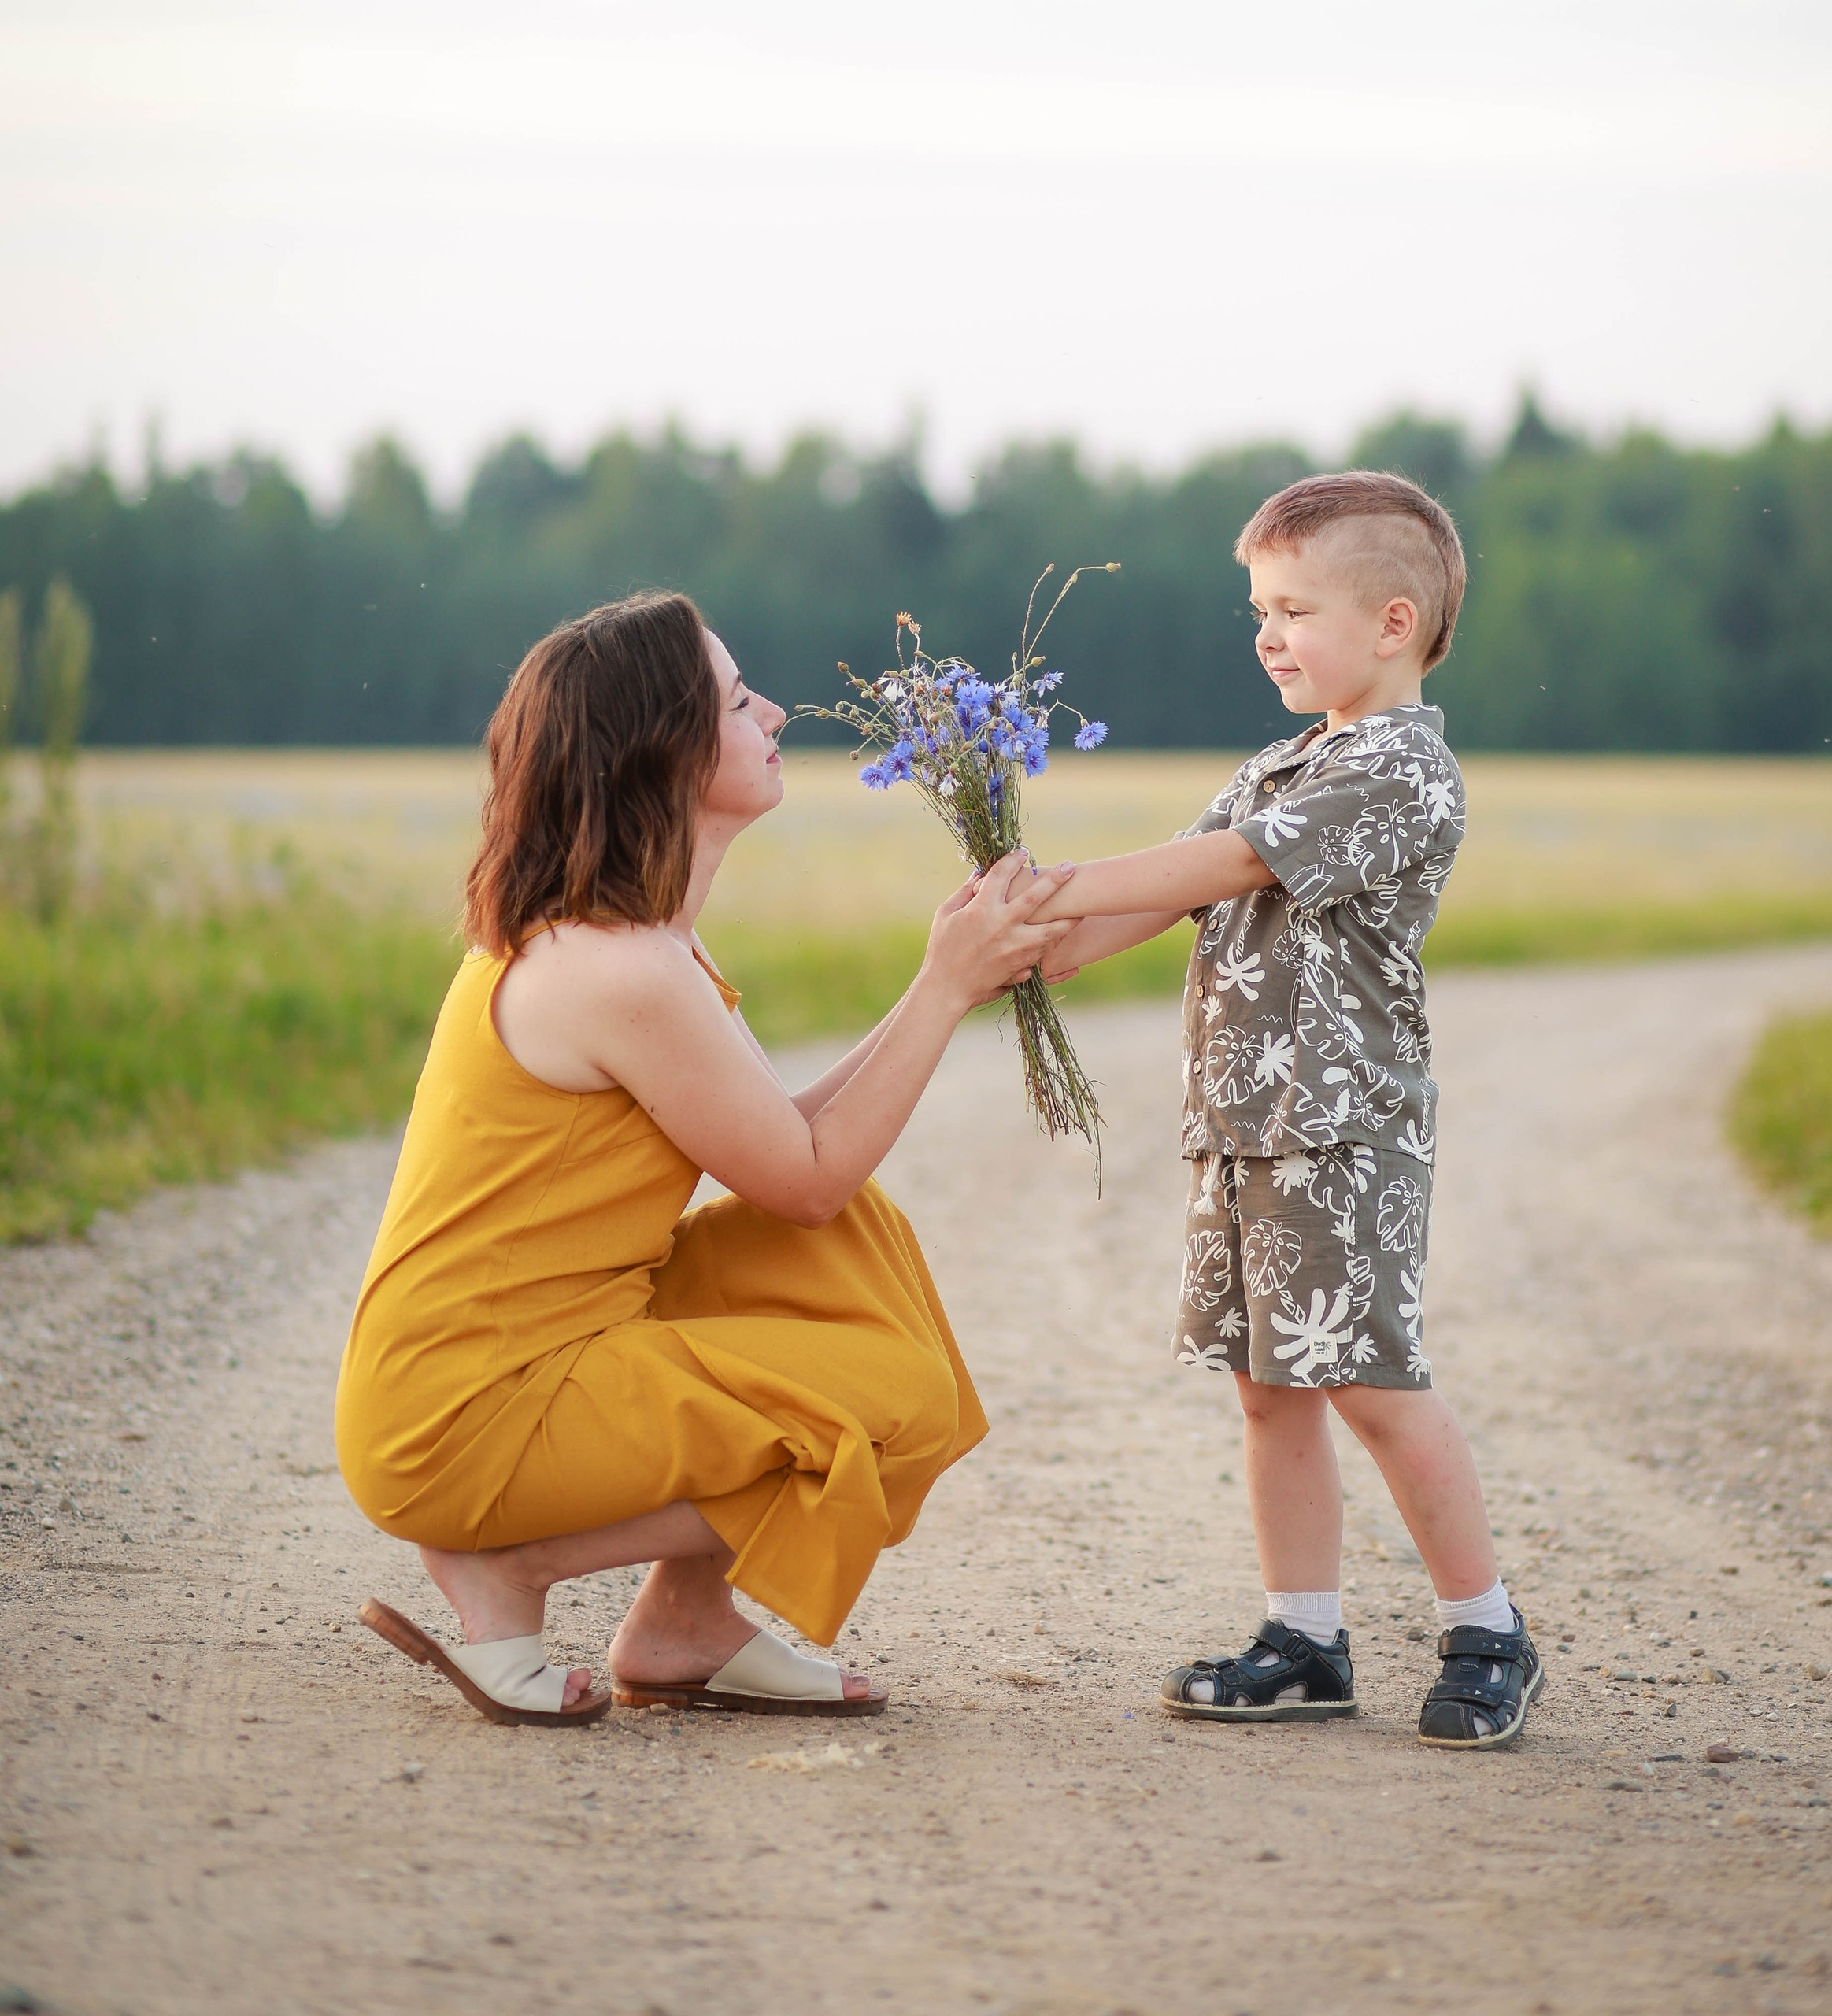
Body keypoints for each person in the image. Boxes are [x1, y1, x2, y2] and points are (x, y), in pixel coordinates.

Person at [335, 590, 1069, 1729]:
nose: (774, 709)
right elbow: (803, 1174)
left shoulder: (642, 941)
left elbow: (787, 1152)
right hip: (468, 1411)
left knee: (854, 1249)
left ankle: (689, 1626)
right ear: (665, 752)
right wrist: (946, 985)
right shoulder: (615, 967)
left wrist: (953, 975)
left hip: (548, 1344)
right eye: (737, 698)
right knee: (892, 1403)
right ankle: (508, 1569)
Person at [1038, 471, 1543, 1748]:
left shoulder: (1402, 769)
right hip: (1244, 1123)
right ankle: (1305, 1637)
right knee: (1271, 1385)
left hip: (1346, 1127)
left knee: (1371, 1378)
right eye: (1257, 607)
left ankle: (1489, 1627)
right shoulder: (1278, 759)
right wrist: (1043, 939)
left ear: (1391, 623)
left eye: (1292, 607)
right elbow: (1171, 896)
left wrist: (1062, 877)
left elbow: (1237, 864)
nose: (1266, 632)